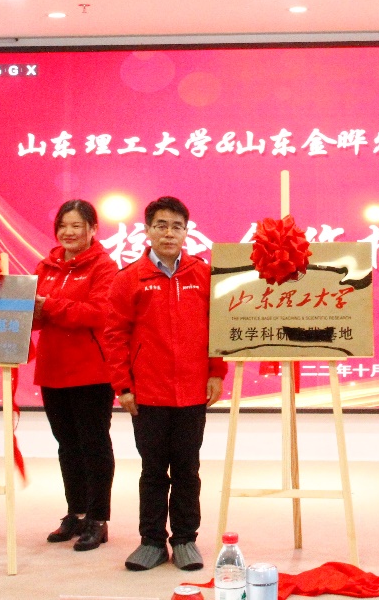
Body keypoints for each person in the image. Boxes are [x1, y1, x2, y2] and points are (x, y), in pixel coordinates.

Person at [106, 196, 226, 572]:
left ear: (187, 232)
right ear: (147, 230)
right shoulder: (129, 278)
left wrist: (216, 373)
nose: (169, 233)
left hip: (191, 391)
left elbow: (219, 329)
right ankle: (152, 542)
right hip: (148, 393)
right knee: (153, 470)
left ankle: (186, 539)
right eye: (161, 225)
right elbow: (114, 336)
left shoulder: (204, 275)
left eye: (176, 226)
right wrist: (123, 386)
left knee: (187, 470)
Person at [33, 199, 120, 552]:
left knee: (93, 445)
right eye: (63, 225)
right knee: (66, 446)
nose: (68, 232)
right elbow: (35, 316)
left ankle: (98, 519)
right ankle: (76, 512)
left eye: (76, 226)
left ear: (93, 229)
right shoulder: (46, 266)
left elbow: (98, 313)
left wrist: (50, 306)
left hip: (91, 371)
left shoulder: (104, 266)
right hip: (52, 369)